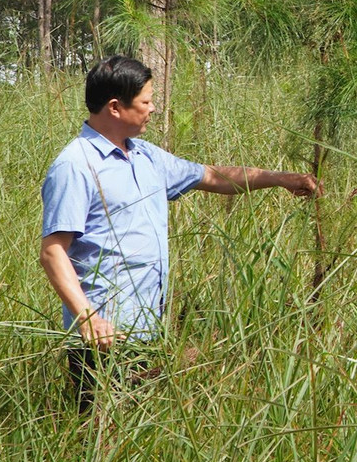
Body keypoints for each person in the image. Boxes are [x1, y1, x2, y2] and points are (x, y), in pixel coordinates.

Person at [40, 55, 320, 409]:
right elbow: (53, 251)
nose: (153, 109)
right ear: (114, 107)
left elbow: (213, 176)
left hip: (147, 330)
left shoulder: (146, 156)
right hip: (103, 337)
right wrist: (89, 318)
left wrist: (282, 179)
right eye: (145, 102)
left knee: (136, 441)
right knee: (100, 438)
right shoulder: (75, 166)